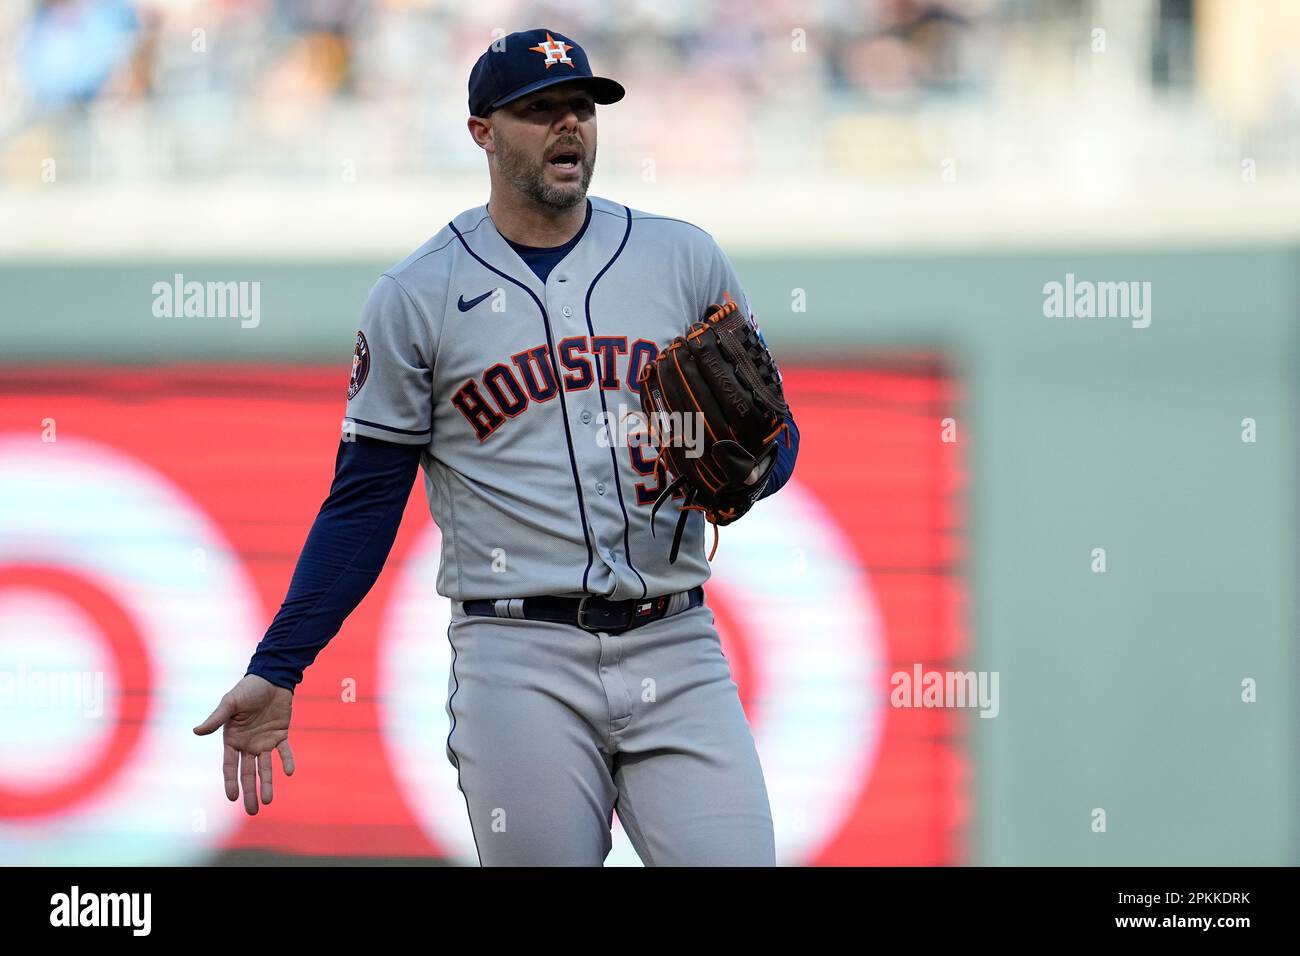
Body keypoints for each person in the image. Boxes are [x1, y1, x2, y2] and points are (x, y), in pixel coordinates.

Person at [194, 28, 800, 866]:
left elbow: (778, 437)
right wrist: (282, 661)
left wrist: (751, 463)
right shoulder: (419, 294)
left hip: (677, 640)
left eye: (582, 108)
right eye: (539, 110)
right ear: (482, 130)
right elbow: (365, 503)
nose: (569, 126)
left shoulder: (682, 256)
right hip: (519, 655)